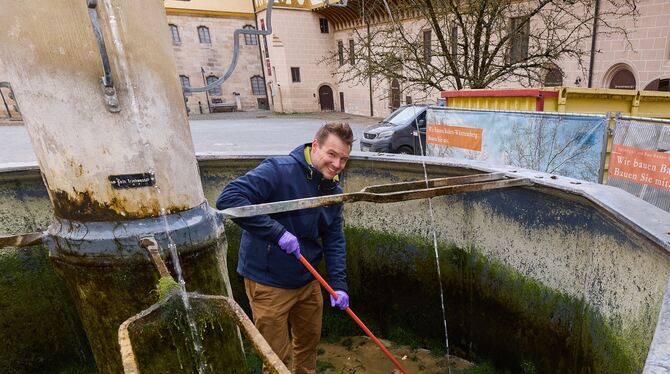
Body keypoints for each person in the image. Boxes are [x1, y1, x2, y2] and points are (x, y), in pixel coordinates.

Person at [216, 122, 353, 374]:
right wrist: (277, 233)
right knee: (276, 358)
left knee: (308, 346)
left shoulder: (334, 191)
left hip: (308, 279)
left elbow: (334, 240)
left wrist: (338, 285)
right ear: (315, 146)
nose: (337, 165)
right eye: (331, 154)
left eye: (344, 159)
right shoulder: (279, 170)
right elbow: (229, 200)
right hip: (268, 282)